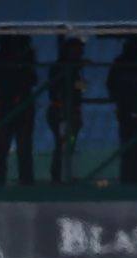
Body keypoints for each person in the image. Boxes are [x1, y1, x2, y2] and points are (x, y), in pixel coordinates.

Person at [0, 34, 38, 185]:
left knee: (23, 147)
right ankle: (1, 180)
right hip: (5, 107)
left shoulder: (24, 62)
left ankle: (24, 180)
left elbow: (33, 79)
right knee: (3, 147)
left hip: (21, 108)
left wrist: (25, 61)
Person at [107, 36, 137, 182]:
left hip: (128, 108)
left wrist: (118, 100)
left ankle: (128, 177)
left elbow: (110, 85)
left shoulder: (121, 62)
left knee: (128, 143)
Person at [45, 36, 86, 183]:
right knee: (62, 143)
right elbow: (56, 91)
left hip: (72, 113)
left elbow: (79, 90)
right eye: (76, 51)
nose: (79, 54)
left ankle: (66, 174)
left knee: (70, 142)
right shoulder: (60, 67)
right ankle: (58, 176)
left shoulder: (77, 71)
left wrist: (77, 112)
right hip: (60, 112)